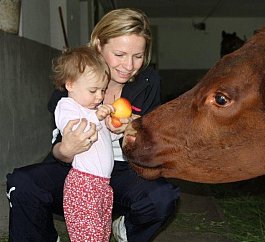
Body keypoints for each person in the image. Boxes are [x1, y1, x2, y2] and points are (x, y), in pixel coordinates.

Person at [6, 8, 180, 242]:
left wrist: (133, 131)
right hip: (77, 172)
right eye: (119, 54)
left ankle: (125, 230)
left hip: (123, 172)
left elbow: (153, 146)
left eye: (138, 56)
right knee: (22, 183)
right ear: (99, 44)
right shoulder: (76, 78)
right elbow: (58, 146)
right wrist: (66, 150)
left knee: (163, 198)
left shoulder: (148, 83)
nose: (129, 65)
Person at [53, 46, 120, 241]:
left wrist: (114, 128)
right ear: (70, 84)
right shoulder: (67, 106)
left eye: (103, 90)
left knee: (101, 234)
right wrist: (98, 119)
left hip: (103, 185)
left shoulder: (93, 110)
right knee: (88, 236)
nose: (99, 97)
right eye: (93, 90)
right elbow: (75, 132)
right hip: (84, 185)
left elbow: (105, 139)